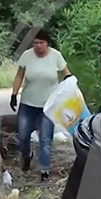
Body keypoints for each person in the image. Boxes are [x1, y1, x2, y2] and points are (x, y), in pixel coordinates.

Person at [9, 30, 71, 181]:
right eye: (35, 43)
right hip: (28, 103)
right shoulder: (27, 56)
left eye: (41, 43)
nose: (38, 46)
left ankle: (44, 170)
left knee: (45, 139)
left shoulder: (55, 56)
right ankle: (27, 156)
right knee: (23, 136)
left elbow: (66, 74)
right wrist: (14, 94)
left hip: (48, 106)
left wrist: (71, 89)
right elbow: (19, 76)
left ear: (47, 43)